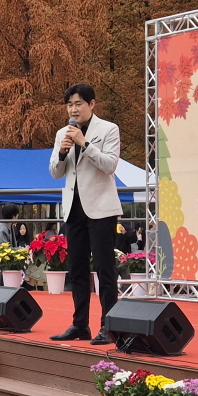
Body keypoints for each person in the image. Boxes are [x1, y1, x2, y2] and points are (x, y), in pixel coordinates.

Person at [48, 83, 124, 344]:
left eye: (78, 103)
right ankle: (80, 324)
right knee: (77, 269)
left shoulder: (108, 129)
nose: (73, 109)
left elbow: (110, 165)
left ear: (92, 104)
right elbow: (55, 172)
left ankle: (109, 325)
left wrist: (85, 143)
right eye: (69, 104)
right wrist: (62, 152)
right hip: (73, 208)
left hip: (101, 209)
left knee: (105, 269)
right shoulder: (63, 133)